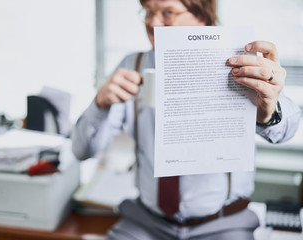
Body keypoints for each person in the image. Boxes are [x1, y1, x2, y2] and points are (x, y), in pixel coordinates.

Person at [72, 0, 301, 239]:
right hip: (146, 221)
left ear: (202, 15)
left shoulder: (237, 63)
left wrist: (269, 109)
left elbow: (288, 130)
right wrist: (100, 104)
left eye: (167, 12)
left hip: (224, 224)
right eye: (148, 11)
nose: (152, 22)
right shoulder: (132, 65)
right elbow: (81, 151)